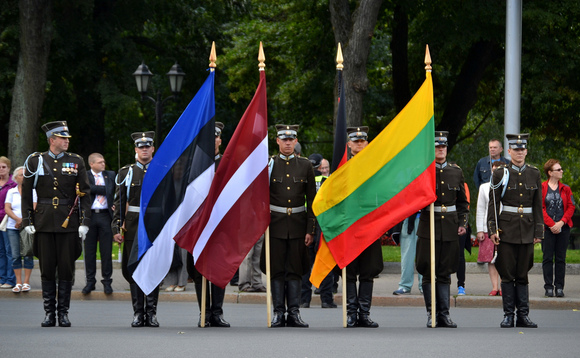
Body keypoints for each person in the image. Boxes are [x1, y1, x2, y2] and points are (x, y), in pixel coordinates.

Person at [22, 121, 91, 327]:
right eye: (63, 138)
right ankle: (49, 313)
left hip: (68, 221)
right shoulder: (35, 161)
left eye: (67, 138)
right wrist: (27, 219)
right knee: (47, 269)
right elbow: (26, 192)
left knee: (66, 269)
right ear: (52, 140)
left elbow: (85, 193)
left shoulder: (76, 161)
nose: (66, 141)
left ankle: (63, 312)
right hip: (43, 221)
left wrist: (84, 221)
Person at [261, 124, 315, 328]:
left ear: (296, 141)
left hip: (298, 225)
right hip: (275, 225)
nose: (288, 143)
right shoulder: (269, 165)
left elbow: (312, 200)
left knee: (295, 269)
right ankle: (278, 313)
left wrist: (310, 229)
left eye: (291, 139)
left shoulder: (305, 165)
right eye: (284, 139)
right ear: (277, 141)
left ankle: (294, 312)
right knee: (276, 270)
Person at [488, 133, 543, 328]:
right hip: (506, 229)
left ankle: (523, 316)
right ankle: (508, 315)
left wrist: (538, 231)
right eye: (516, 149)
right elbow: (493, 204)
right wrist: (493, 229)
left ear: (526, 151)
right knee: (507, 273)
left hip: (527, 229)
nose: (519, 152)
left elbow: (537, 205)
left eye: (522, 149)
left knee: (523, 274)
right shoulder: (500, 173)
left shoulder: (534, 173)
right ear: (509, 151)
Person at [416, 131, 469, 328]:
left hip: (449, 227)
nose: (440, 149)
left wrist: (462, 224)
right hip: (428, 225)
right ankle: (432, 314)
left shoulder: (456, 171)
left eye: (443, 146)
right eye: (437, 146)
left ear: (447, 148)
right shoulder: (424, 171)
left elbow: (463, 203)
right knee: (429, 271)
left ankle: (444, 314)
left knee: (445, 272)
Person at [112, 131, 160, 328]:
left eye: (148, 146)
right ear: (136, 150)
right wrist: (117, 227)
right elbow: (119, 201)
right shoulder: (126, 172)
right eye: (141, 147)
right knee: (133, 268)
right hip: (132, 226)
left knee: (153, 270)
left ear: (153, 148)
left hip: (155, 225)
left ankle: (152, 313)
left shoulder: (162, 169)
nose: (145, 149)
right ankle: (138, 313)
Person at [186, 122, 230, 328]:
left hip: (221, 226)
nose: (213, 141)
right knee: (199, 272)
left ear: (220, 140)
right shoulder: (193, 165)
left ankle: (217, 313)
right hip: (198, 226)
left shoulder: (228, 164)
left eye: (216, 137)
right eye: (209, 137)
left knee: (219, 269)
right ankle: (203, 312)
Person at [344, 126, 383, 328]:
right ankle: (351, 313)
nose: (359, 144)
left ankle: (364, 314)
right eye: (355, 141)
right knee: (350, 271)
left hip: (370, 225)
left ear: (367, 143)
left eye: (362, 141)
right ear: (349, 144)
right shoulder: (341, 166)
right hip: (350, 226)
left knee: (368, 271)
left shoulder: (375, 166)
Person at [82, 153, 116, 295]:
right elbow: (86, 190)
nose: (103, 164)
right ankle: (90, 281)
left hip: (105, 215)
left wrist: (94, 188)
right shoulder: (85, 175)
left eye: (104, 161)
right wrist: (103, 190)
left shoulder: (110, 175)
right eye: (100, 162)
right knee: (89, 251)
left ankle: (107, 281)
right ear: (92, 164)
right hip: (90, 216)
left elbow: (112, 191)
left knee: (106, 251)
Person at [541, 159, 575, 298]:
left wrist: (561, 223)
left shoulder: (566, 188)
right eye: (558, 169)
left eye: (561, 169)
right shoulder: (542, 187)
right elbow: (540, 208)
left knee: (560, 259)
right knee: (547, 258)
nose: (561, 171)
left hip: (563, 228)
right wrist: (551, 224)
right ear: (550, 172)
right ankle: (548, 287)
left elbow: (571, 207)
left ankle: (559, 287)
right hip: (548, 229)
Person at [5, 166, 36, 293]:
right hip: (12, 227)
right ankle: (18, 282)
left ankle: (26, 282)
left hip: (28, 226)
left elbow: (34, 207)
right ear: (16, 178)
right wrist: (17, 219)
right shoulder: (11, 192)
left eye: (26, 175)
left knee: (28, 254)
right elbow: (7, 208)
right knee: (15, 255)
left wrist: (23, 221)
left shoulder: (33, 191)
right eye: (22, 175)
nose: (24, 177)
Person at [476, 161, 502, 296]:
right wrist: (480, 229)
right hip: (488, 227)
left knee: (504, 258)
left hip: (505, 227)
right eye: (494, 170)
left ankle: (504, 287)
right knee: (491, 259)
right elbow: (480, 209)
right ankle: (494, 286)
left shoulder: (508, 186)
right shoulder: (484, 187)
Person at [392, 212, 422, 295]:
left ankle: (425, 285)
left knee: (424, 256)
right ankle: (405, 285)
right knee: (407, 256)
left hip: (425, 218)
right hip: (408, 218)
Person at [0, 156, 17, 289]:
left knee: (9, 251)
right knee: (0, 251)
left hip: (7, 221)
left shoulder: (13, 184)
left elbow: (14, 205)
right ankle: (1, 277)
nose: (1, 170)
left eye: (3, 167)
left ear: (9, 168)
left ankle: (10, 279)